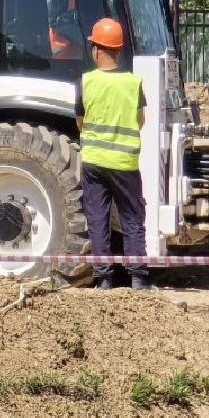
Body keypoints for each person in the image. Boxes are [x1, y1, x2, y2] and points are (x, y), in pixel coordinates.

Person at [76, 17, 150, 290]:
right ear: (118, 50)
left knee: (98, 219)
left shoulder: (85, 82)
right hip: (125, 163)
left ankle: (104, 279)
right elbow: (140, 120)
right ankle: (138, 278)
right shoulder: (133, 83)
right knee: (132, 218)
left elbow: (80, 122)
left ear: (95, 49)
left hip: (94, 162)